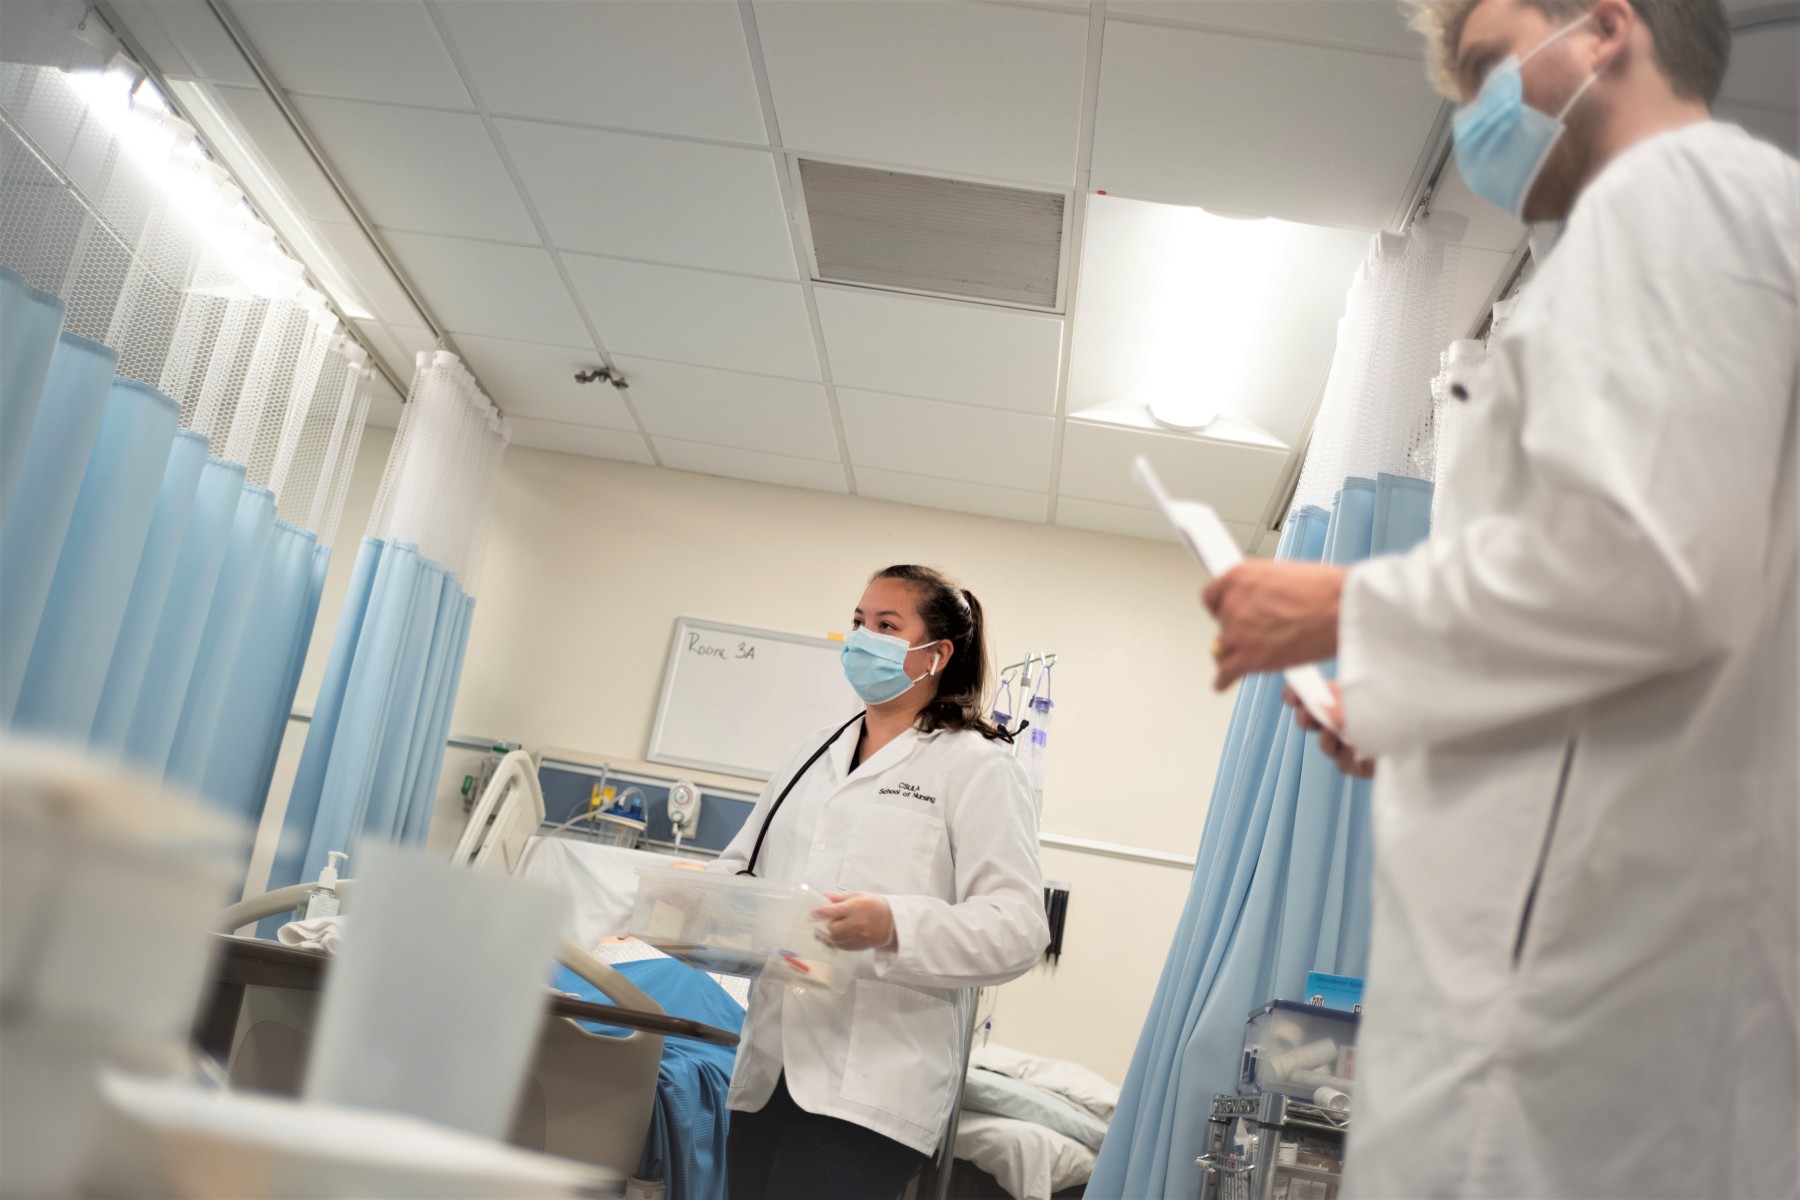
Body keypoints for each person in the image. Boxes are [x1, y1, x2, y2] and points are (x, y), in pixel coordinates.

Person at [1201, 0, 1799, 1195]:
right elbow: (1630, 618)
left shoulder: (1678, 203)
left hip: (1597, 1012)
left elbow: (1651, 570)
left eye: (1483, 70)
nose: (1469, 114)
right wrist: (1420, 708)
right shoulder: (1665, 242)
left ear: (1604, 29)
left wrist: (1345, 609)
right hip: (1590, 980)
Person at [713, 565, 1048, 1200]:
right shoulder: (810, 753)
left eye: (887, 626)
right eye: (860, 622)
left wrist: (894, 923)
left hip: (872, 1086)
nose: (863, 637)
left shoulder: (977, 765)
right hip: (767, 1071)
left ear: (937, 654)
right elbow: (742, 866)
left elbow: (1019, 929)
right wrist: (699, 895)